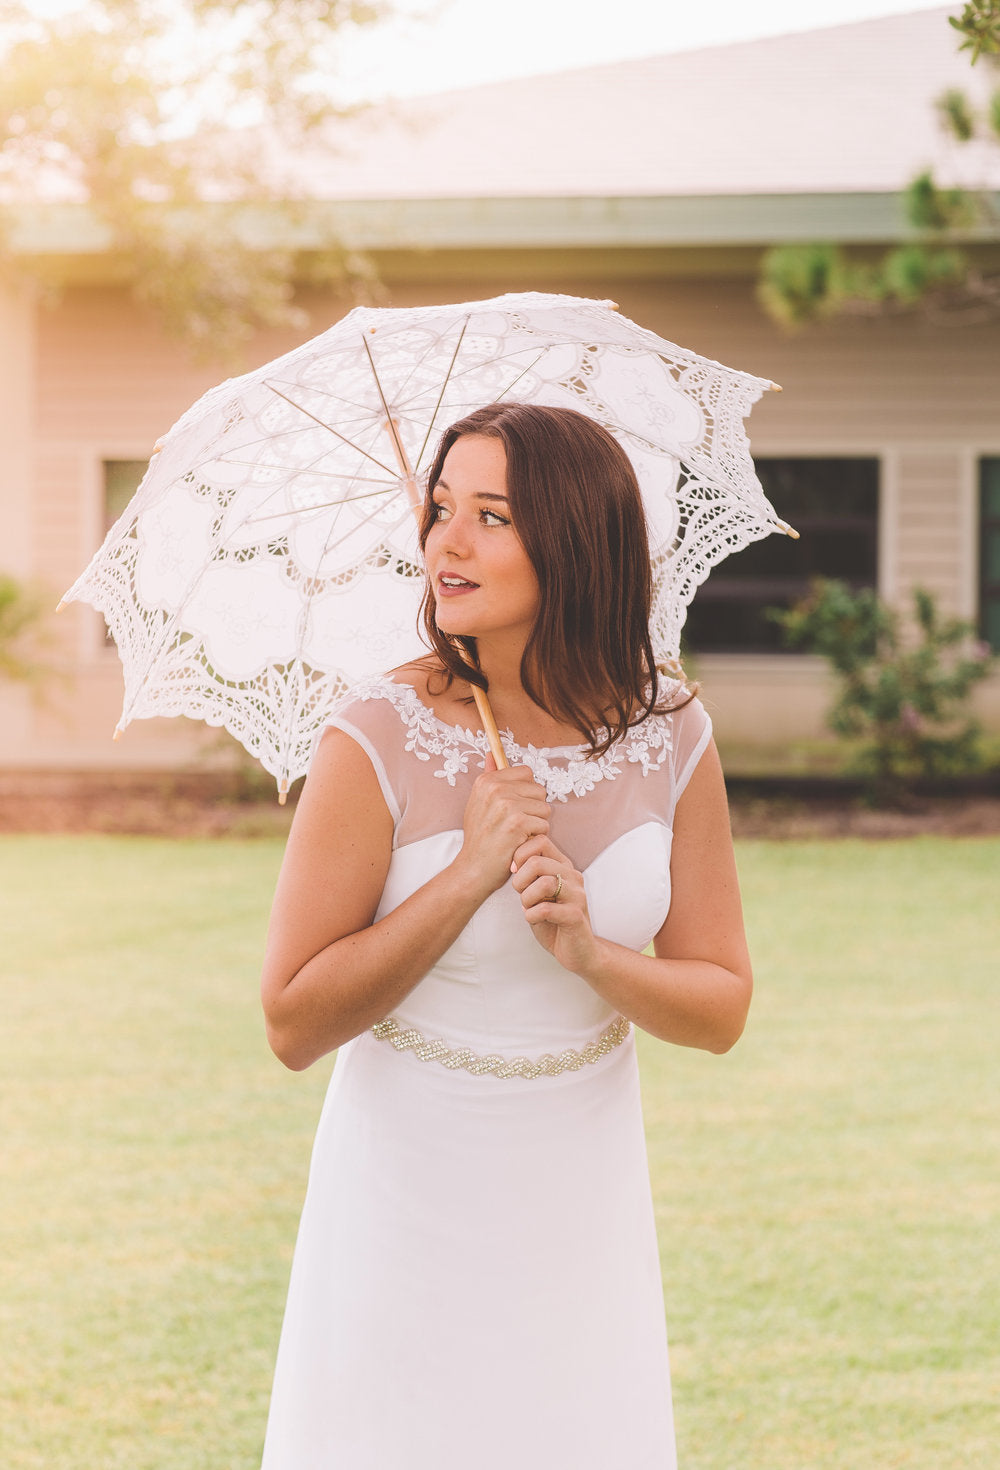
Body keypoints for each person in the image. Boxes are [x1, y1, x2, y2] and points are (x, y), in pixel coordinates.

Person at [258, 402, 753, 1469]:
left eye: (491, 515)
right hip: (407, 1188)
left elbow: (719, 1006)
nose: (448, 540)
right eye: (441, 508)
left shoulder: (674, 733)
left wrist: (590, 953)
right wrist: (467, 876)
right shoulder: (373, 736)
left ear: (576, 540)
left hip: (578, 1190)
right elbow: (293, 1021)